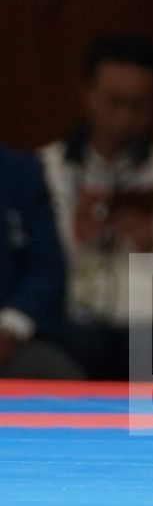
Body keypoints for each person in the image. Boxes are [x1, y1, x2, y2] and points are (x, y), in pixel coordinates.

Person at [39, 33, 153, 381]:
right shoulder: (46, 169)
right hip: (70, 320)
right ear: (88, 94)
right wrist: (74, 237)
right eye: (114, 102)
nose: (124, 118)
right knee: (66, 348)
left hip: (151, 326)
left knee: (151, 351)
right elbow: (25, 272)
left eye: (139, 106)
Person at [0, 145, 84, 379]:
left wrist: (9, 328)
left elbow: (48, 267)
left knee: (55, 373)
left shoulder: (20, 172)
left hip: (10, 334)